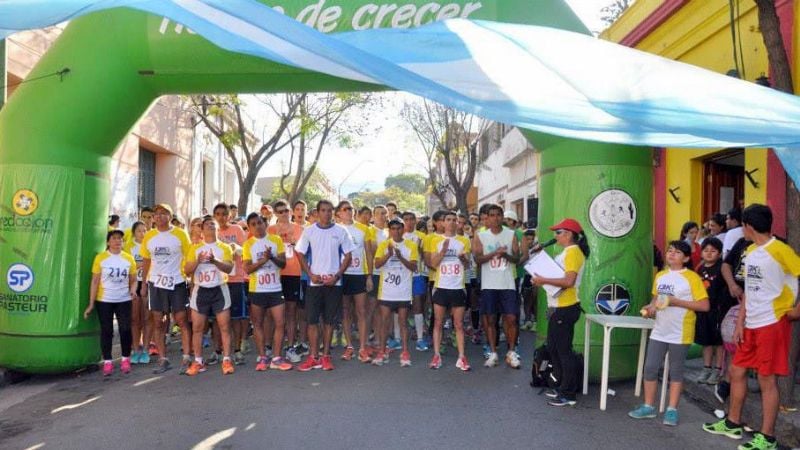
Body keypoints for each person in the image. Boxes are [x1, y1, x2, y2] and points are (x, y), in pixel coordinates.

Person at [704, 204, 800, 450]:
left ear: (747, 226)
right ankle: (733, 423)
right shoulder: (751, 251)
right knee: (736, 371)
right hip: (751, 323)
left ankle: (767, 438)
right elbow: (750, 289)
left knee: (767, 380)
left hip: (773, 323)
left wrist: (797, 311)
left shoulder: (780, 250)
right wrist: (739, 322)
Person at [629, 240, 709, 425]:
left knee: (676, 371)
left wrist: (676, 302)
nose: (672, 254)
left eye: (678, 252)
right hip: (659, 330)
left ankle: (672, 410)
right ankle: (648, 406)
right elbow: (656, 301)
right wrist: (649, 309)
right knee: (649, 368)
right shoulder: (661, 276)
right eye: (670, 250)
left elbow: (704, 305)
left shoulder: (692, 277)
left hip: (680, 332)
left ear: (686, 258)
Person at [532, 218, 588, 407]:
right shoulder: (567, 252)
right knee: (555, 349)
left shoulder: (573, 252)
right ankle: (561, 386)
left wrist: (543, 279)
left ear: (569, 234)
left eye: (558, 232)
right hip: (558, 306)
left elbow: (568, 281)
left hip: (566, 307)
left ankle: (568, 394)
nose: (555, 236)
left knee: (564, 352)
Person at [295, 200, 356, 372]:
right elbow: (299, 253)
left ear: (333, 213)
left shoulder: (341, 231)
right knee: (312, 321)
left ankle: (326, 356)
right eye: (323, 210)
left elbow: (348, 255)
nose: (327, 214)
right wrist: (310, 274)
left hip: (334, 284)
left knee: (329, 321)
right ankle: (313, 356)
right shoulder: (309, 231)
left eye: (330, 211)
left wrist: (336, 276)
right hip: (314, 284)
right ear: (318, 212)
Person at [140, 203, 193, 374]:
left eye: (164, 213)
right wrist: (143, 284)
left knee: (181, 320)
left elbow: (189, 256)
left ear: (170, 216)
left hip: (177, 282)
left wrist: (189, 277)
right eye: (157, 214)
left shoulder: (180, 234)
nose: (160, 216)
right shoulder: (149, 236)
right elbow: (146, 260)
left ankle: (186, 357)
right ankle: (163, 359)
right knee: (158, 322)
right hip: (156, 283)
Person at [183, 217, 235, 376]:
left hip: (219, 289)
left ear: (217, 228)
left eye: (213, 224)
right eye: (207, 225)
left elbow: (229, 268)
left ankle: (226, 359)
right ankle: (198, 361)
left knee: (224, 327)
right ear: (202, 229)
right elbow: (187, 270)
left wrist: (214, 260)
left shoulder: (225, 247)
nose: (210, 226)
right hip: (201, 290)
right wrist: (198, 261)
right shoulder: (195, 248)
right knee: (197, 328)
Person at [473, 204, 521, 369]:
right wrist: (494, 254)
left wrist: (505, 254)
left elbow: (517, 258)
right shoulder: (481, 236)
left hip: (507, 283)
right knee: (490, 318)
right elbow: (477, 260)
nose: (495, 218)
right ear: (487, 217)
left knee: (511, 318)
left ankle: (511, 351)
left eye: (498, 215)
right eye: (491, 215)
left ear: (502, 217)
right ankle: (493, 352)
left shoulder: (511, 234)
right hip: (489, 284)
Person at [84, 230, 138, 376]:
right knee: (107, 330)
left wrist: (133, 290)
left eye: (120, 239)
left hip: (124, 299)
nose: (117, 241)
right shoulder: (101, 258)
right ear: (108, 242)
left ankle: (125, 358)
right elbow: (95, 281)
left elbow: (134, 280)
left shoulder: (128, 258)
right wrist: (91, 304)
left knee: (125, 329)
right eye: (114, 238)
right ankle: (107, 361)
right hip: (105, 300)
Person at [244, 213, 293, 371]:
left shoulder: (276, 240)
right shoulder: (248, 244)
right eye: (253, 224)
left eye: (259, 223)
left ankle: (276, 357)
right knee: (257, 323)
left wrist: (271, 257)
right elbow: (247, 268)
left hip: (275, 289)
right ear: (250, 227)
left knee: (280, 322)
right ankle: (263, 356)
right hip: (257, 290)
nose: (257, 226)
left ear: (265, 224)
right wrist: (263, 260)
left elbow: (283, 264)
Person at [427, 211, 471, 371]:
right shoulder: (435, 240)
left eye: (455, 220)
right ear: (443, 223)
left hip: (458, 287)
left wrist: (463, 259)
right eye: (448, 220)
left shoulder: (464, 241)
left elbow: (467, 266)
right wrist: (443, 251)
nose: (452, 222)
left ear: (458, 223)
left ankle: (461, 357)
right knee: (438, 322)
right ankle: (436, 355)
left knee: (458, 324)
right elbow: (433, 263)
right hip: (441, 286)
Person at [372, 219, 418, 366]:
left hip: (403, 291)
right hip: (387, 291)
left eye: (399, 228)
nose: (396, 231)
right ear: (389, 230)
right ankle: (382, 351)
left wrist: (400, 257)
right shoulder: (384, 245)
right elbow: (377, 264)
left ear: (403, 229)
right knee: (385, 322)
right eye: (393, 228)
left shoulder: (411, 245)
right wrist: (388, 255)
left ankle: (405, 352)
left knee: (403, 322)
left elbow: (413, 267)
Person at [335, 200, 374, 363]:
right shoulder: (335, 230)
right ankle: (350, 345)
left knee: (361, 311)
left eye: (350, 209)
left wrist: (370, 275)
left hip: (359, 274)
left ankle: (363, 347)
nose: (348, 211)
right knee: (345, 311)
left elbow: (369, 253)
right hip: (342, 275)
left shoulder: (364, 229)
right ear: (338, 213)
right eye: (345, 209)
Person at [268, 200, 305, 363]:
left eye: (286, 211)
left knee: (291, 310)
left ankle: (290, 346)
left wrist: (295, 245)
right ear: (275, 213)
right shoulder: (269, 230)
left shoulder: (299, 229)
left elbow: (304, 251)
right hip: (274, 274)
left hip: (294, 273)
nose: (284, 214)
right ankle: (270, 346)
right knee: (271, 312)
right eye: (280, 211)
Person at [214, 203, 249, 365]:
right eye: (218, 214)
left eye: (224, 214)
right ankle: (217, 351)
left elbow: (246, 250)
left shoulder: (237, 230)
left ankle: (237, 350)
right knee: (216, 318)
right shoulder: (212, 230)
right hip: (217, 280)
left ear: (230, 216)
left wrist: (236, 248)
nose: (221, 217)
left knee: (236, 317)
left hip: (235, 279)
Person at [693, 237, 732, 385]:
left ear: (720, 254)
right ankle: (706, 368)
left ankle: (718, 370)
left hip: (718, 310)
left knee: (719, 342)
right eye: (706, 250)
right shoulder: (700, 268)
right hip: (703, 310)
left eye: (713, 251)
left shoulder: (722, 268)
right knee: (706, 341)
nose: (709, 253)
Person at [402, 211, 429, 351]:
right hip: (401, 277)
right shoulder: (397, 235)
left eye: (411, 219)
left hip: (417, 275)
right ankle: (397, 337)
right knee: (399, 308)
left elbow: (426, 257)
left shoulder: (423, 236)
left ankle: (420, 338)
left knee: (418, 305)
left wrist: (420, 249)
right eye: (406, 219)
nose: (409, 222)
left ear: (415, 221)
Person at [125, 221, 151, 364]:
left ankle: (146, 350)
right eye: (139, 231)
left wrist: (140, 265)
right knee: (134, 319)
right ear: (134, 232)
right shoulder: (129, 247)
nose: (142, 233)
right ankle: (135, 350)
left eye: (145, 230)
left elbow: (153, 263)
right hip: (133, 283)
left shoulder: (150, 245)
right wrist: (141, 264)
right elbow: (128, 266)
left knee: (147, 318)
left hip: (147, 282)